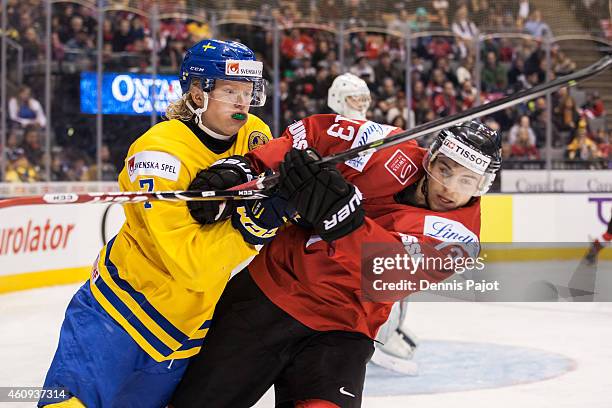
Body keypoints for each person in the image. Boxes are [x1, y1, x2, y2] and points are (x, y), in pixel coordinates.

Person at [171, 117, 502, 407]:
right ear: (431, 159)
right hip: (268, 294)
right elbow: (315, 133)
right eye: (445, 169)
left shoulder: (461, 239)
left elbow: (387, 270)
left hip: (343, 329)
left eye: (466, 181)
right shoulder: (388, 147)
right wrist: (251, 168)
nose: (449, 187)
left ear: (481, 187)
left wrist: (341, 218)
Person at [40, 39, 277, 407]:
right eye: (230, 91)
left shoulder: (254, 135)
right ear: (198, 93)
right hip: (120, 313)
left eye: (248, 91)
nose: (242, 102)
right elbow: (191, 267)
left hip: (187, 328)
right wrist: (251, 228)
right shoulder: (158, 154)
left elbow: (287, 169)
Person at [328, 73, 418, 375]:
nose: (362, 103)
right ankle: (358, 337)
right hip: (338, 223)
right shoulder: (330, 131)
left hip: (369, 218)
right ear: (338, 99)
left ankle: (386, 333)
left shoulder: (375, 133)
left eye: (365, 98)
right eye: (355, 98)